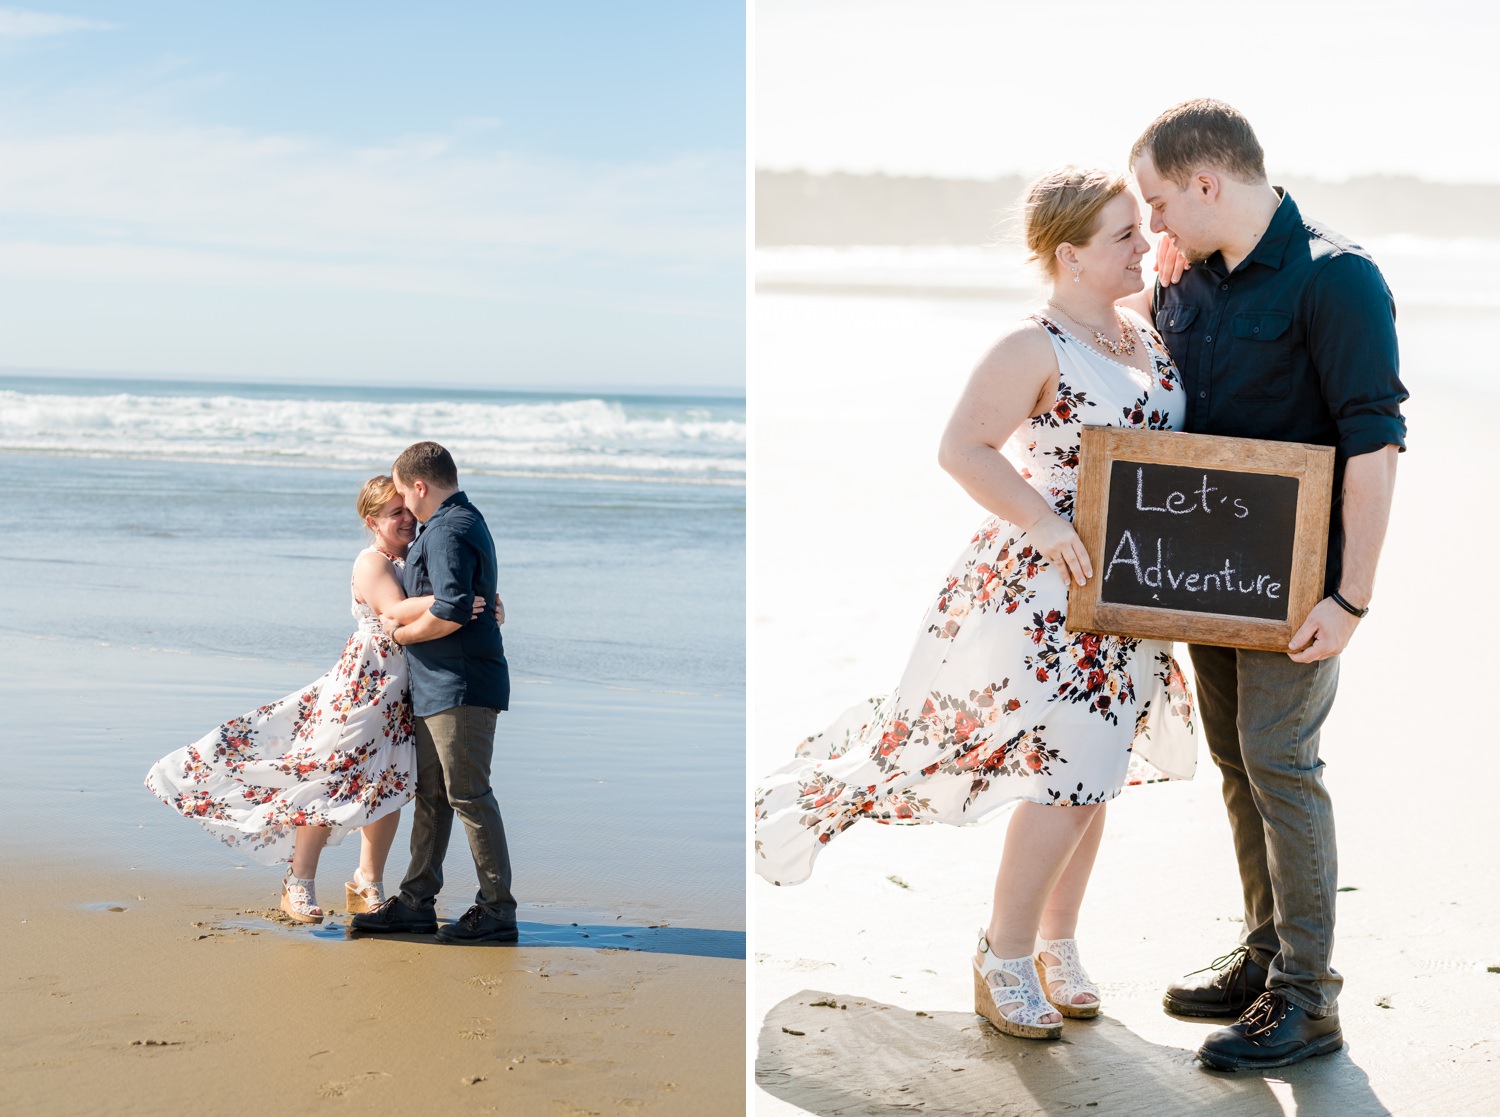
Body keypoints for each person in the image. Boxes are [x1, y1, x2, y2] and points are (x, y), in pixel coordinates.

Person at [754, 168, 1197, 1040]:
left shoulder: (1142, 334)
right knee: (1067, 777)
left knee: (1096, 777)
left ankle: (1056, 945)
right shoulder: (1032, 346)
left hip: (1132, 587)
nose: (1142, 247)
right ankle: (1003, 954)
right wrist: (1041, 522)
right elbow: (964, 449)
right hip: (1052, 588)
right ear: (1069, 254)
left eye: (1142, 231)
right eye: (1123, 236)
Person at [1125, 99, 1406, 1071]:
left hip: (1301, 591)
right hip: (1206, 579)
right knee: (1239, 765)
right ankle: (1263, 956)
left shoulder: (1339, 279)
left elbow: (1374, 444)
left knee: (1281, 764)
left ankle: (1308, 998)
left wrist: (1353, 596)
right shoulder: (1187, 283)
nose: (1155, 225)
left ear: (1207, 182)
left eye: (1159, 204)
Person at [145, 475, 445, 923]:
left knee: (388, 785)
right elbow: (390, 613)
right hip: (362, 686)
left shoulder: (417, 557)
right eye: (393, 513)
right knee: (327, 777)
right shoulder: (372, 562)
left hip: (402, 692)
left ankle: (368, 884)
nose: (405, 519)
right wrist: (457, 601)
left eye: (407, 510)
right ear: (373, 521)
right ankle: (298, 882)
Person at [349, 441, 519, 945]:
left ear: (420, 486)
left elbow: (451, 609)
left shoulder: (448, 529)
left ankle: (496, 909)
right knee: (433, 797)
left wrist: (397, 634)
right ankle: (416, 902)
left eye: (404, 493)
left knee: (468, 794)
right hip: (437, 684)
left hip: (460, 684)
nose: (405, 504)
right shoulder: (457, 522)